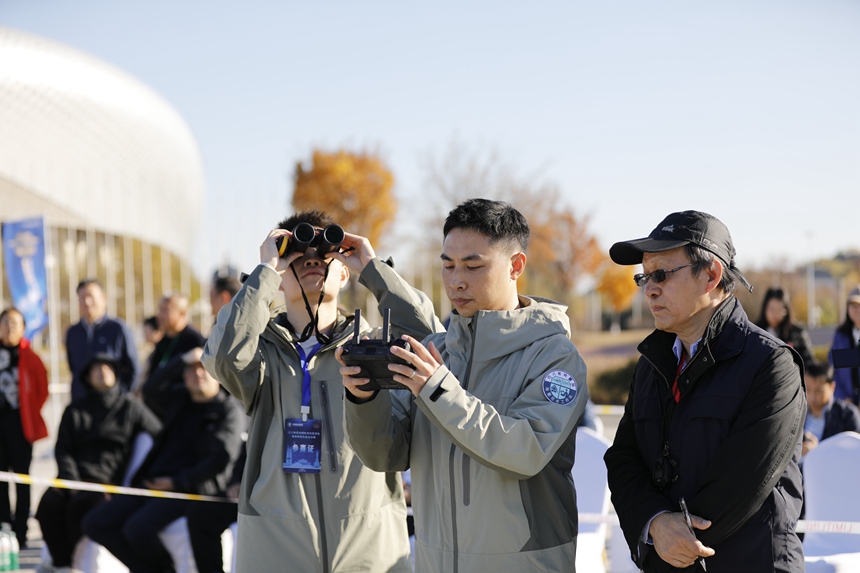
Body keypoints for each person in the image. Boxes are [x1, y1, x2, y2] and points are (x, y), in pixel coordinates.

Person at [341, 199, 589, 572]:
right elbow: (385, 456)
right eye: (448, 265)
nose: (457, 280)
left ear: (516, 266)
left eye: (473, 266)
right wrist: (363, 398)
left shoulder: (555, 356)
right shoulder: (435, 351)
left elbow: (525, 452)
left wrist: (439, 391)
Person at [203, 209, 437, 572]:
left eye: (324, 255)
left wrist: (373, 269)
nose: (312, 260)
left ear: (344, 273)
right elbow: (221, 357)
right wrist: (267, 269)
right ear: (279, 279)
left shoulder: (373, 345)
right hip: (275, 547)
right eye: (298, 256)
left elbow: (433, 339)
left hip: (369, 548)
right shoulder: (262, 353)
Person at [603, 210, 806, 572]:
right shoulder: (652, 364)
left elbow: (742, 482)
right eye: (644, 277)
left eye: (661, 274)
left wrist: (675, 542)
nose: (649, 289)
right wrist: (654, 522)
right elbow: (623, 460)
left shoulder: (771, 363)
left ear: (711, 275)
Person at [83, 347, 242, 573]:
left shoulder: (228, 411)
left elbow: (219, 460)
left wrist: (176, 483)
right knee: (95, 523)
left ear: (218, 375)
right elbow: (150, 389)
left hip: (189, 489)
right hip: (152, 484)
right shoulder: (179, 400)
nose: (198, 374)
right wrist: (182, 359)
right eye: (191, 369)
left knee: (137, 529)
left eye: (204, 369)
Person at [36, 354, 162, 571]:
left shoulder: (130, 407)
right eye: (96, 369)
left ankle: (68, 562)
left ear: (116, 374)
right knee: (48, 505)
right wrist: (71, 481)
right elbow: (63, 448)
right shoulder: (75, 409)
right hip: (72, 477)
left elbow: (160, 435)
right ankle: (61, 564)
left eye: (107, 368)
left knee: (79, 508)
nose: (102, 372)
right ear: (87, 377)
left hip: (107, 481)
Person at [0, 307, 48, 549]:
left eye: (15, 323)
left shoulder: (30, 357)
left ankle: (21, 531)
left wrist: (28, 409)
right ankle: (3, 528)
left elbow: (41, 389)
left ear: (23, 329)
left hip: (21, 425)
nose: (10, 328)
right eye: (6, 322)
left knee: (21, 478)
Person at [65, 279, 139, 400]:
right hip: (81, 402)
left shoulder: (118, 329)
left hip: (111, 403)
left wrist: (121, 397)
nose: (87, 302)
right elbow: (73, 367)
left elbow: (133, 368)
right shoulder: (73, 333)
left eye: (90, 296)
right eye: (82, 298)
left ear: (103, 298)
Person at [141, 293, 205, 418]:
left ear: (182, 313)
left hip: (183, 414)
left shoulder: (195, 341)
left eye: (166, 310)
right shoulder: (163, 341)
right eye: (159, 309)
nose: (159, 315)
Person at [802, 361, 860, 458]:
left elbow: (855, 453)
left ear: (832, 387)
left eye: (818, 391)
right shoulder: (796, 413)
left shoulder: (847, 415)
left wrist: (817, 452)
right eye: (808, 389)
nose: (812, 396)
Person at [755, 286, 815, 367]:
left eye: (779, 310)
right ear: (765, 309)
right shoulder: (755, 332)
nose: (775, 314)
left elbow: (808, 361)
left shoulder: (797, 333)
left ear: (786, 310)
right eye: (772, 309)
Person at [830, 284, 860, 405]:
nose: (856, 310)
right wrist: (844, 398)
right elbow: (834, 370)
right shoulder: (841, 336)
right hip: (846, 404)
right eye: (853, 306)